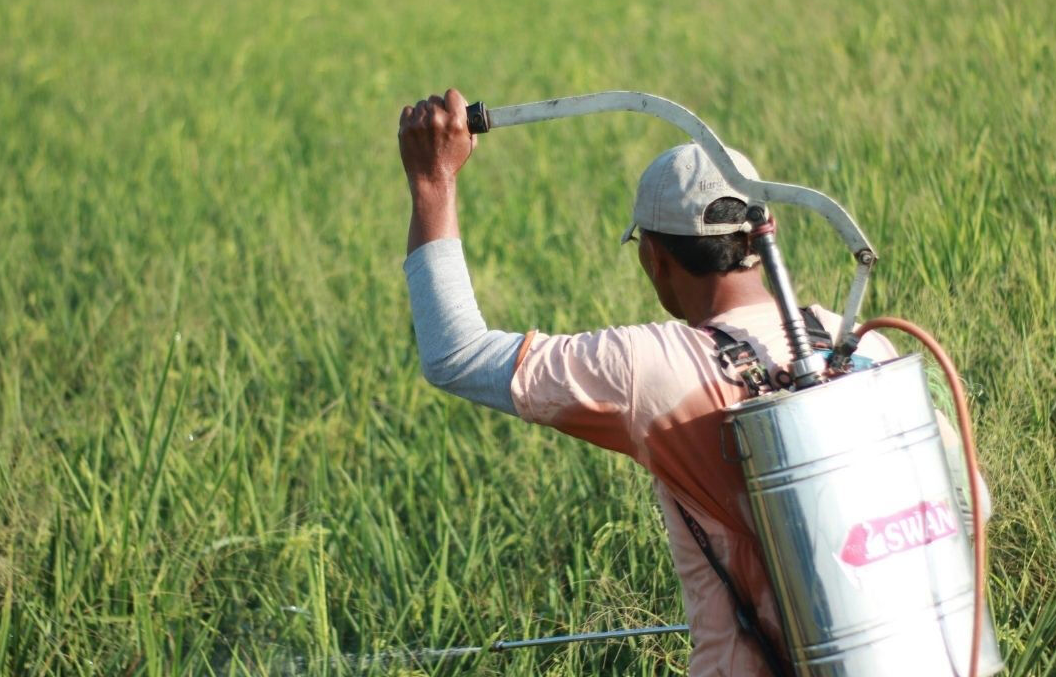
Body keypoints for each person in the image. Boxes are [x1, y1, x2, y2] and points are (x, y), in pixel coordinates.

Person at [397, 88, 987, 676]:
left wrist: (433, 183)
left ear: (653, 257)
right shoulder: (863, 346)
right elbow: (971, 508)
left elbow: (456, 354)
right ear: (763, 235)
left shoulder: (650, 367)